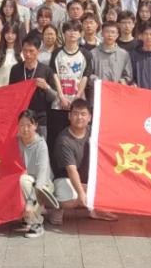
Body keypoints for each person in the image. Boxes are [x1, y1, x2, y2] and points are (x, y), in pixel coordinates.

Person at [47, 100, 116, 226]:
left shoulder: (94, 132)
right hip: (66, 179)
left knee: (113, 190)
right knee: (69, 198)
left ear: (90, 117)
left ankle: (92, 208)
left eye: (83, 114)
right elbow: (71, 170)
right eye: (75, 114)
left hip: (88, 180)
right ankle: (56, 206)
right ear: (69, 116)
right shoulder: (64, 140)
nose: (79, 117)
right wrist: (81, 194)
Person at [47, 21, 91, 151]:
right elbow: (54, 75)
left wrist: (76, 98)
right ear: (64, 33)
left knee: (77, 137)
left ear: (80, 33)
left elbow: (85, 76)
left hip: (77, 104)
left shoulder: (86, 54)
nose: (72, 33)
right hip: (59, 104)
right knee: (56, 137)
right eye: (69, 30)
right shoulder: (56, 53)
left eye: (76, 30)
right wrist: (61, 96)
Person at [16, 110, 57, 239]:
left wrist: (30, 203)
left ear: (36, 126)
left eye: (29, 125)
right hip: (26, 183)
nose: (25, 129)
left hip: (43, 186)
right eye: (22, 125)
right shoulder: (16, 141)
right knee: (18, 180)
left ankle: (36, 222)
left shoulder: (41, 145)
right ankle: (27, 215)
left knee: (23, 180)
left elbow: (41, 178)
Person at [10, 38, 57, 136]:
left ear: (38, 51)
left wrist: (46, 87)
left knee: (40, 144)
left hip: (40, 118)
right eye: (25, 51)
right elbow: (10, 94)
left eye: (31, 51)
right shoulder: (15, 69)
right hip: (21, 117)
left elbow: (54, 97)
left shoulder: (46, 70)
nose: (27, 54)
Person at [90, 21, 133, 87]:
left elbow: (128, 76)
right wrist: (96, 80)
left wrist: (123, 81)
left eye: (113, 32)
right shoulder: (93, 53)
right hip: (99, 90)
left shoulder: (124, 54)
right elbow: (88, 74)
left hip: (116, 90)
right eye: (107, 32)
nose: (110, 35)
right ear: (102, 34)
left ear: (117, 35)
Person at [0, 22, 22, 88]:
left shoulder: (22, 53)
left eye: (13, 33)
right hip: (0, 89)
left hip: (17, 90)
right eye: (7, 33)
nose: (10, 36)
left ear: (17, 35)